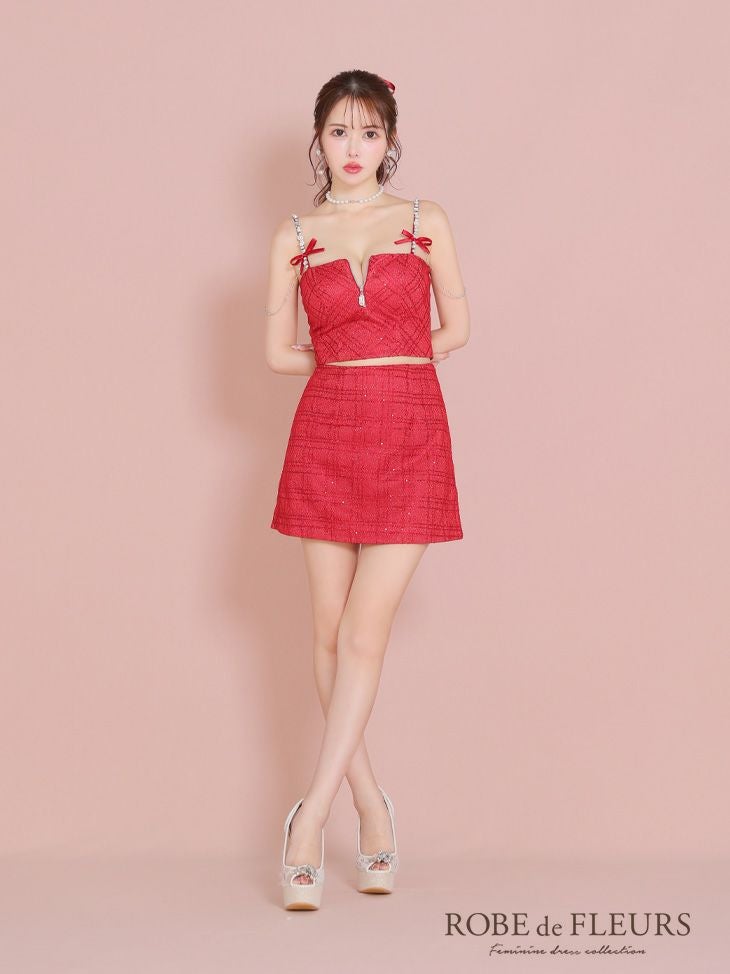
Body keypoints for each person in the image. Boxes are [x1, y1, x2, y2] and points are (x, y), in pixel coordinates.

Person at [264, 69, 470, 910]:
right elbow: (276, 353)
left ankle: (310, 818)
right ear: (319, 139)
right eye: (340, 132)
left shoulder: (425, 222)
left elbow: (459, 327)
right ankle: (372, 804)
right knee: (326, 633)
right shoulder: (295, 234)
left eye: (371, 132)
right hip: (325, 433)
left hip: (411, 430)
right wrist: (345, 362)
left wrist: (391, 359)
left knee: (362, 631)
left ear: (391, 140)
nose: (356, 148)